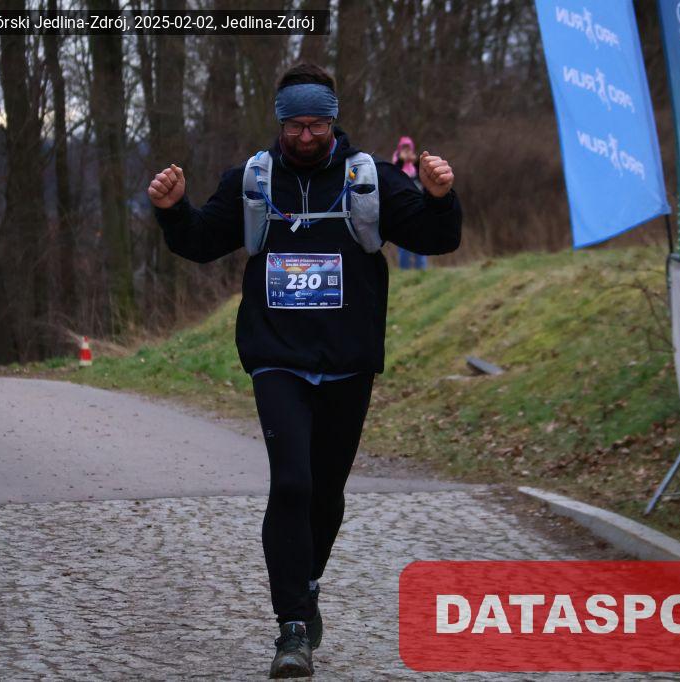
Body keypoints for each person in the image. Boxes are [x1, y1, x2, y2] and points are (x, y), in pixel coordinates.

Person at [147, 62, 460, 678]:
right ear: (280, 123)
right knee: (291, 483)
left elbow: (436, 238)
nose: (307, 136)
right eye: (296, 125)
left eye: (318, 124)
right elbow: (202, 241)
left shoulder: (369, 179)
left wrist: (439, 198)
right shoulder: (253, 180)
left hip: (348, 362)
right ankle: (291, 627)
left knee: (326, 491)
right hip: (278, 358)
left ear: (333, 121)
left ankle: (306, 580)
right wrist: (174, 210)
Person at [391, 136, 428, 270]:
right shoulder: (396, 163)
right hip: (402, 210)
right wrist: (401, 160)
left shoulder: (415, 166)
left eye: (409, 148)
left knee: (421, 240)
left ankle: (422, 271)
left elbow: (424, 180)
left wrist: (416, 162)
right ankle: (404, 272)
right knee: (403, 244)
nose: (407, 152)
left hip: (419, 208)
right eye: (404, 148)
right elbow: (394, 176)